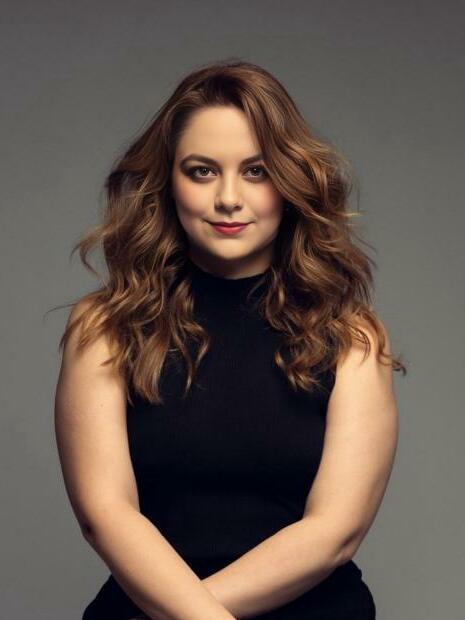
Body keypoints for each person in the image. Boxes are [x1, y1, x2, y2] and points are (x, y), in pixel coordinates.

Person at [54, 59, 404, 620]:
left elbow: (334, 532)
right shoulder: (105, 327)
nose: (228, 198)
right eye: (201, 171)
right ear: (168, 183)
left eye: (257, 171)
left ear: (290, 182)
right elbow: (106, 514)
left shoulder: (350, 336)